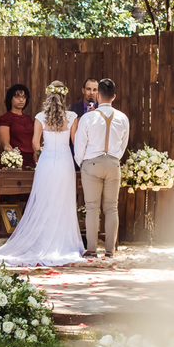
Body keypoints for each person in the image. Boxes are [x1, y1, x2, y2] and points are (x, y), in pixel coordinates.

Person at [0, 81, 84, 267]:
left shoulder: (40, 117)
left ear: (48, 97)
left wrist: (43, 152)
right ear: (64, 97)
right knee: (63, 201)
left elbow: (34, 144)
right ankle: (63, 242)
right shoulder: (72, 117)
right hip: (65, 163)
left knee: (45, 201)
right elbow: (75, 141)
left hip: (46, 163)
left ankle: (42, 240)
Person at [73, 78, 130, 258]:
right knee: (112, 208)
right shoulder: (123, 118)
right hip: (113, 163)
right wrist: (114, 158)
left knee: (91, 207)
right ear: (114, 96)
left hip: (92, 163)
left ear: (98, 95)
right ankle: (110, 251)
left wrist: (82, 163)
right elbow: (123, 145)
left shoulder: (88, 118)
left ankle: (91, 249)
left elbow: (79, 145)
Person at [0, 84, 35, 168]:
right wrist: (15, 161)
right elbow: (5, 143)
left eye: (24, 97)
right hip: (13, 161)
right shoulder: (5, 118)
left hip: (30, 160)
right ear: (10, 98)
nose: (21, 100)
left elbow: (33, 142)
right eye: (17, 97)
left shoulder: (29, 119)